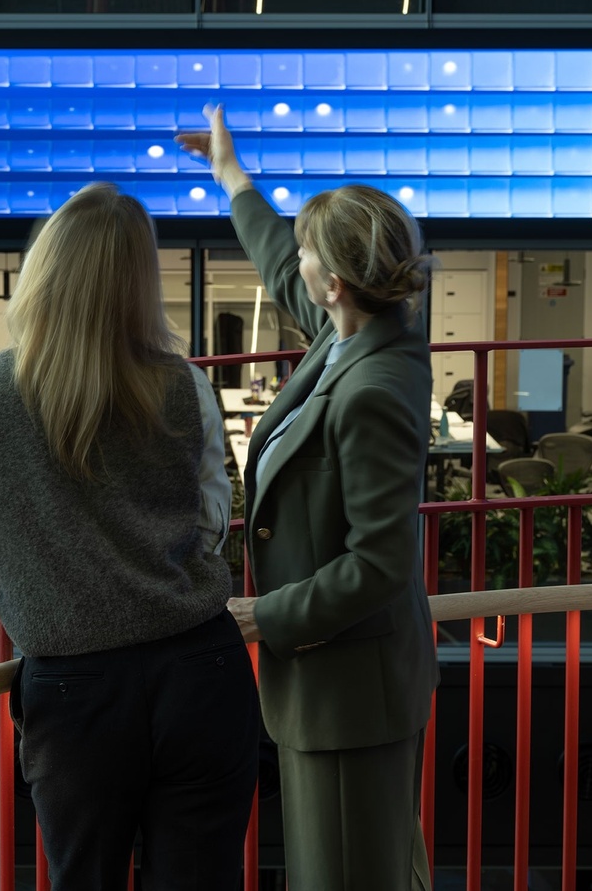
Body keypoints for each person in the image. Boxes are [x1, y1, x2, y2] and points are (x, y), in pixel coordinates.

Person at [0, 182, 259, 891]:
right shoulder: (187, 386)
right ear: (140, 283)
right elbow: (211, 530)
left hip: (76, 689)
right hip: (204, 670)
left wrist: (29, 561)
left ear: (41, 273)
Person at [177, 105, 438, 891]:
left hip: (350, 694)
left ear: (336, 280)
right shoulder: (350, 334)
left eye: (308, 255)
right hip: (334, 688)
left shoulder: (374, 385)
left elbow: (381, 561)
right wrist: (229, 172)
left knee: (346, 874)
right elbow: (276, 260)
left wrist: (269, 615)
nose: (296, 267)